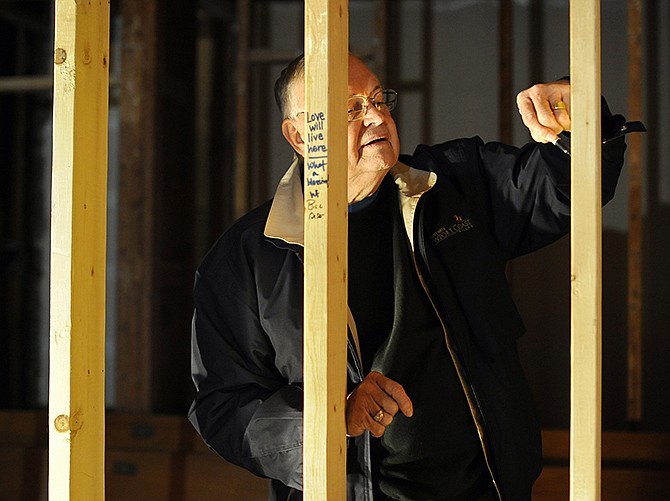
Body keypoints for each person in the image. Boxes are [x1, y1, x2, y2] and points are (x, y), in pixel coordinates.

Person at [188, 53, 639, 500]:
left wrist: (576, 116)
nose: (376, 116)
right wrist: (329, 419)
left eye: (379, 100)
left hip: (486, 490)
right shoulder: (247, 258)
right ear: (299, 135)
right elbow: (224, 407)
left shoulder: (453, 186)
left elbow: (563, 185)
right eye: (351, 108)